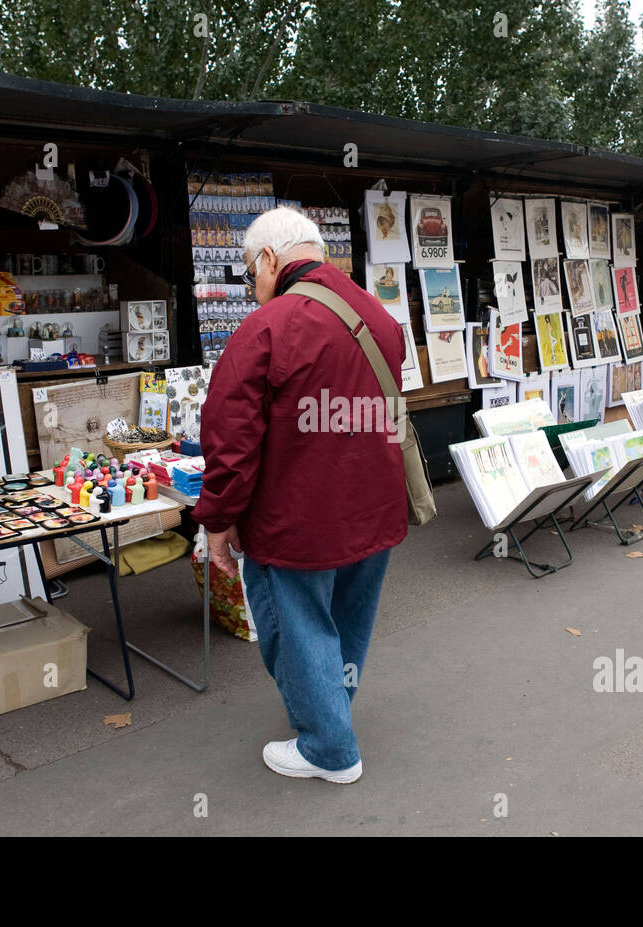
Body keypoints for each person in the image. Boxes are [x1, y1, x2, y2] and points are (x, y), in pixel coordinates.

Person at [193, 207, 408, 785]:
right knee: (346, 622)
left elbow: (231, 441)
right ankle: (331, 711)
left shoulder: (266, 328)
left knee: (299, 625)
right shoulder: (375, 314)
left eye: (249, 275)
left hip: (299, 517)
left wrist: (218, 520)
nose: (251, 289)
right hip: (375, 507)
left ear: (269, 260)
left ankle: (328, 748)